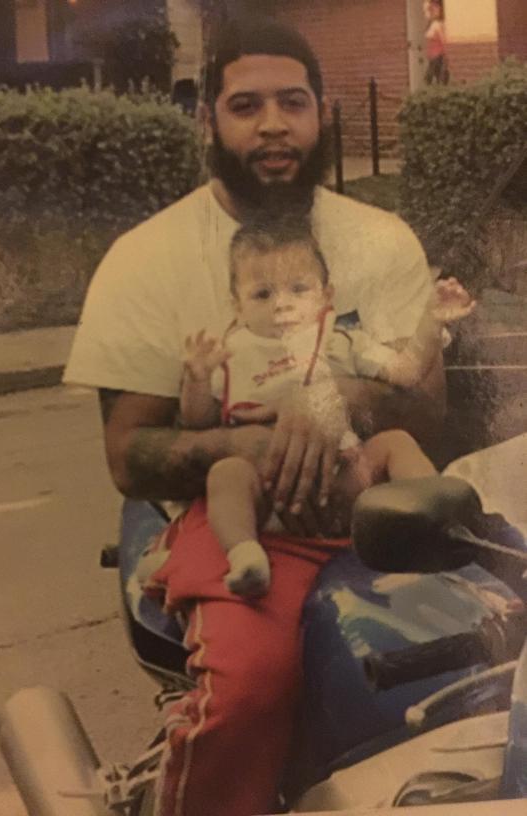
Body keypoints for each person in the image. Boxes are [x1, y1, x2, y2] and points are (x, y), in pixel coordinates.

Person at [64, 16, 449, 816]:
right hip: (235, 516)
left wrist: (337, 399)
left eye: (292, 102)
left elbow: (429, 410)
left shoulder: (380, 241)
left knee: (468, 662)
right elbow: (128, 456)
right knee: (252, 685)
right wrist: (250, 441)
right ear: (207, 121)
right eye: (246, 105)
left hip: (365, 504)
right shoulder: (146, 258)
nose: (273, 124)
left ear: (322, 114)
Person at [176, 222, 475, 598]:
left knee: (396, 443)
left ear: (326, 294)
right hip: (268, 491)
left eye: (298, 289)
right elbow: (200, 422)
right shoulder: (232, 356)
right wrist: (197, 380)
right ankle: (246, 555)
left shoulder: (343, 342)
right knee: (226, 474)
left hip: (346, 481)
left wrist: (431, 322)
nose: (282, 304)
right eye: (263, 294)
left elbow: (408, 371)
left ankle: (434, 524)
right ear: (237, 305)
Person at [424, 0, 449, 85]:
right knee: (429, 79)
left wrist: (445, 57)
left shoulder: (437, 25)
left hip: (438, 57)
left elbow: (443, 41)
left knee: (431, 80)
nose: (427, 14)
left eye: (430, 9)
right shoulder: (432, 24)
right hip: (432, 57)